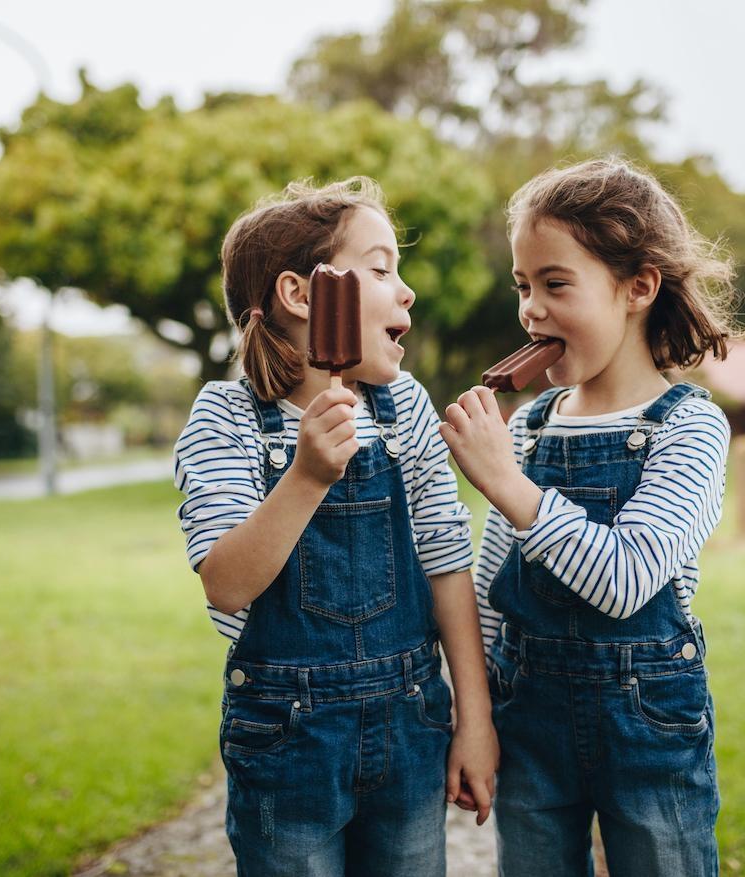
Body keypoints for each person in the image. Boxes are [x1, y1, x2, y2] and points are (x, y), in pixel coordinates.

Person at [173, 176, 498, 876]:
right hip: (288, 741)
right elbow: (226, 585)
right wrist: (308, 474)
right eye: (381, 268)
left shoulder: (401, 406)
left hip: (412, 723)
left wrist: (475, 720)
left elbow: (446, 563)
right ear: (301, 295)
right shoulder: (224, 419)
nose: (406, 290)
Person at [439, 157, 742, 877]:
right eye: (522, 286)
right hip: (529, 715)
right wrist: (473, 719)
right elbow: (489, 591)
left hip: (648, 722)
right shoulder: (531, 424)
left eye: (555, 283)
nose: (530, 310)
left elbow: (626, 578)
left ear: (638, 286)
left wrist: (509, 486)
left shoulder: (689, 428)